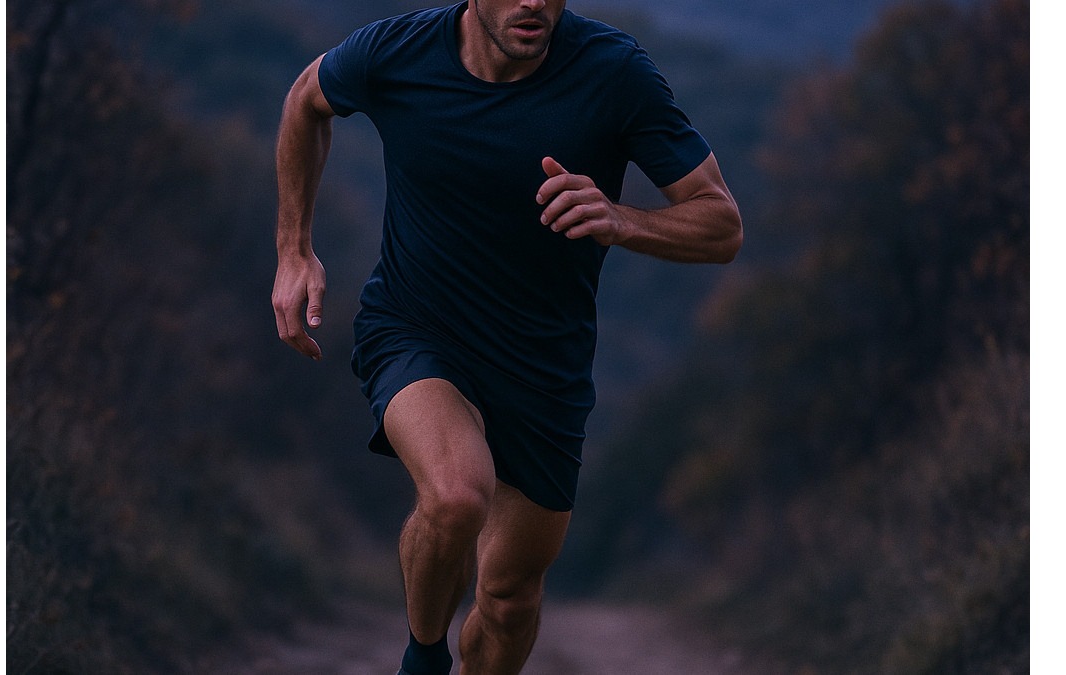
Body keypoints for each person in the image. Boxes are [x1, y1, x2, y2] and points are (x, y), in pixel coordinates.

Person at [272, 1, 742, 672]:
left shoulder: (614, 72)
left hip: (544, 365)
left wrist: (621, 219)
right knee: (456, 495)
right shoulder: (396, 53)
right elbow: (305, 100)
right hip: (416, 327)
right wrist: (294, 251)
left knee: (509, 598)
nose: (533, 2)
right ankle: (423, 657)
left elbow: (721, 224)